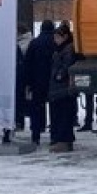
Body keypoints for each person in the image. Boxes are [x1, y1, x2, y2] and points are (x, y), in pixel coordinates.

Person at [23, 20, 56, 145]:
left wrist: (27, 82)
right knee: (55, 108)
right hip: (53, 81)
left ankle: (35, 135)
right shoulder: (55, 42)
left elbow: (28, 63)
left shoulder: (34, 43)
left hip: (37, 81)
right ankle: (54, 135)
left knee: (36, 109)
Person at [47, 22, 78, 153]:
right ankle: (62, 140)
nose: (55, 40)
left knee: (63, 114)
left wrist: (59, 75)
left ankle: (63, 141)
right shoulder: (61, 49)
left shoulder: (68, 49)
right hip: (57, 88)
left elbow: (66, 66)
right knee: (59, 114)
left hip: (62, 88)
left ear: (64, 37)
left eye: (57, 37)